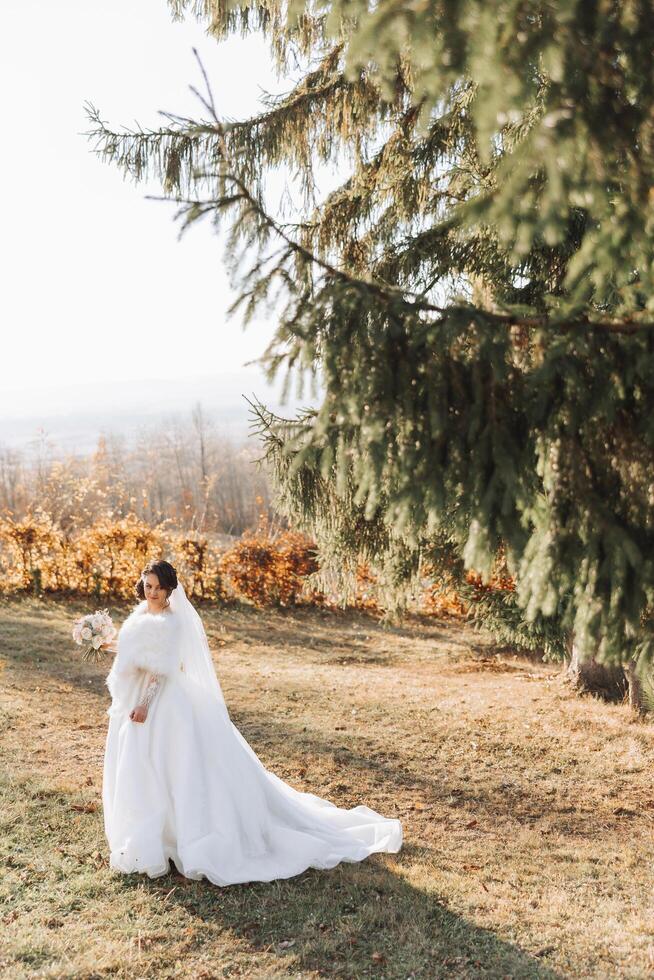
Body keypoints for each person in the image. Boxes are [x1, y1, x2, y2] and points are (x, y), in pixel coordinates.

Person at [102, 559, 403, 885]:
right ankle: (148, 834)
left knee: (169, 764)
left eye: (159, 588)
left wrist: (145, 706)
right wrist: (103, 642)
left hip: (159, 702)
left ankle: (176, 835)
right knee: (143, 765)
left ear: (170, 589)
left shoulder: (171, 623)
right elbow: (137, 650)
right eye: (148, 586)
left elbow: (160, 670)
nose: (153, 593)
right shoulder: (142, 614)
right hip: (135, 695)